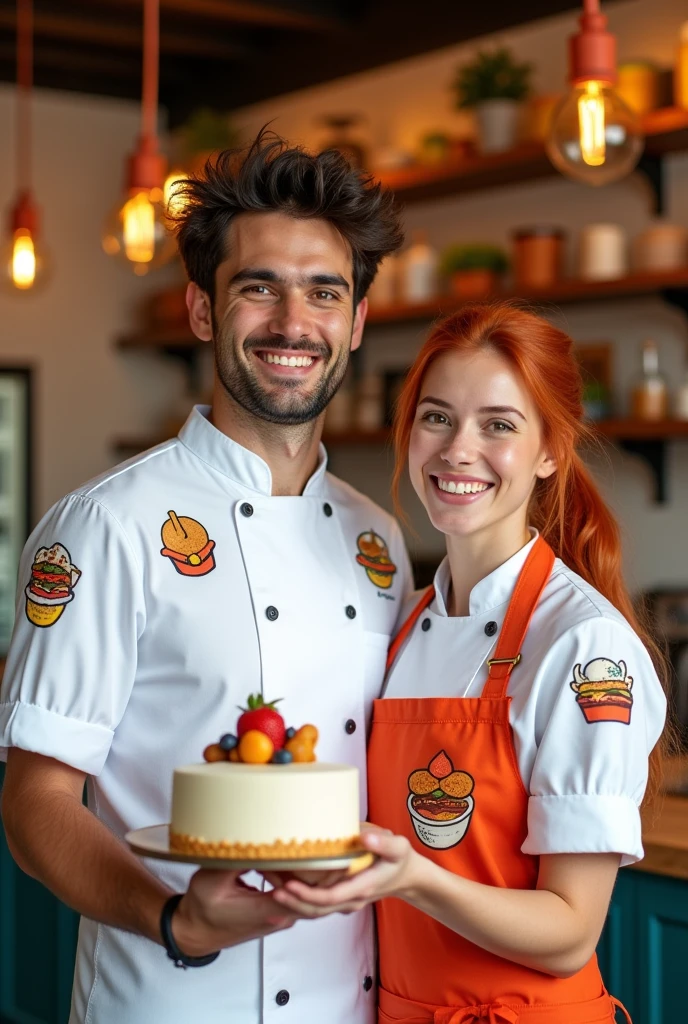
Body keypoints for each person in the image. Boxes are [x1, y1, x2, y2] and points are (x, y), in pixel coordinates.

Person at [0, 131, 412, 1024]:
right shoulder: (105, 525)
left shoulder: (380, 540)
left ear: (357, 323)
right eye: (258, 286)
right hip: (166, 997)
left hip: (353, 1002)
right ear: (200, 310)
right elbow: (35, 805)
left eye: (324, 293)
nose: (293, 323)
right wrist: (177, 921)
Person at [270, 302, 669, 1024]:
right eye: (437, 417)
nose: (458, 449)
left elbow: (570, 933)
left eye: (499, 425)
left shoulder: (583, 647)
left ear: (551, 450)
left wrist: (413, 879)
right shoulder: (404, 623)